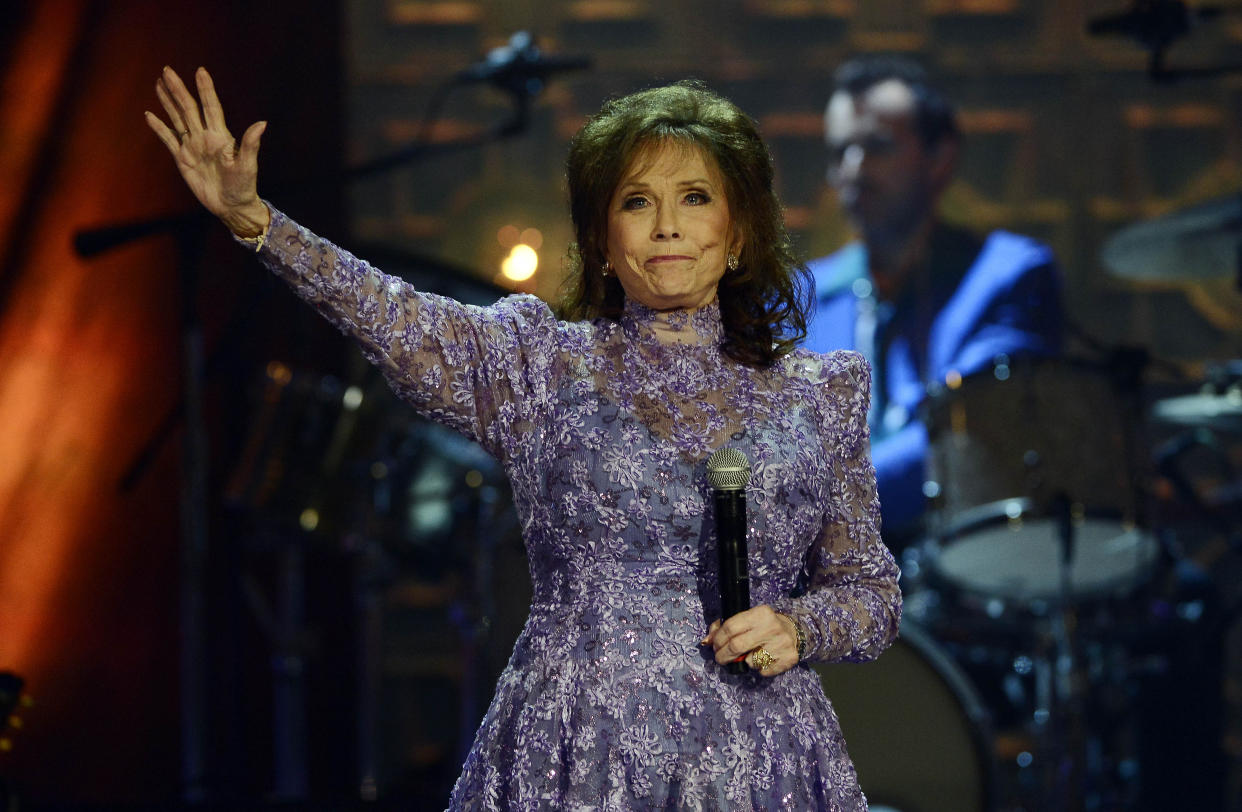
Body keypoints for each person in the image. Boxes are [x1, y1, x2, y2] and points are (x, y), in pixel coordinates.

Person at [147, 65, 901, 809]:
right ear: (604, 242)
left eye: (695, 198)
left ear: (737, 233)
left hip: (760, 758)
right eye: (637, 202)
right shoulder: (538, 365)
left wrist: (798, 627)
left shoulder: (820, 392)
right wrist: (258, 223)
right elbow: (390, 313)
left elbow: (870, 593)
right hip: (576, 749)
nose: (668, 225)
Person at [804, 54, 1063, 547]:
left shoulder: (1008, 275)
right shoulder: (802, 295)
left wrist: (810, 501)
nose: (852, 170)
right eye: (840, 152)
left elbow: (971, 437)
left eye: (876, 146)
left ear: (940, 158)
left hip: (965, 573)